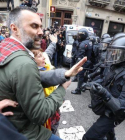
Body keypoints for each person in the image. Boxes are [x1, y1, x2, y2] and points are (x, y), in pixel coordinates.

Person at [0, 7, 87, 140]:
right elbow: (40, 114)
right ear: (14, 28)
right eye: (34, 26)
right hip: (23, 132)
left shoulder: (4, 46)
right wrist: (62, 89)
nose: (41, 32)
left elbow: (33, 78)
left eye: (40, 26)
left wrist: (64, 75)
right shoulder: (24, 63)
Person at [83, 36, 125, 140]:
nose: (113, 54)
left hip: (115, 112)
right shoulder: (117, 65)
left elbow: (124, 108)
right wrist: (94, 84)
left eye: (116, 52)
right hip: (109, 105)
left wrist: (104, 93)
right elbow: (105, 79)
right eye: (112, 51)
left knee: (88, 138)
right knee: (108, 132)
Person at [71, 28, 93, 95]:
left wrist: (78, 64)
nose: (79, 37)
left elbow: (80, 56)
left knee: (80, 76)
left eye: (80, 35)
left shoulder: (83, 44)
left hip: (84, 62)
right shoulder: (89, 42)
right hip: (89, 61)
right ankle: (83, 87)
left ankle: (78, 90)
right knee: (85, 75)